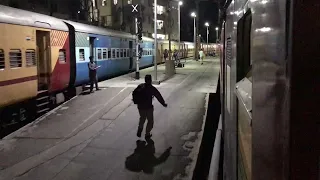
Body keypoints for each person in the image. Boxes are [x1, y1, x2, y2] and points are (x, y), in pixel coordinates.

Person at [132, 74, 167, 139]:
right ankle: (147, 133)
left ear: (145, 80)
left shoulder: (140, 86)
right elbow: (158, 96)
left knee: (142, 118)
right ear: (150, 80)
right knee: (150, 121)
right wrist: (163, 103)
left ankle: (140, 128)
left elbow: (135, 94)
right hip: (148, 107)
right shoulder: (152, 88)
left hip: (140, 107)